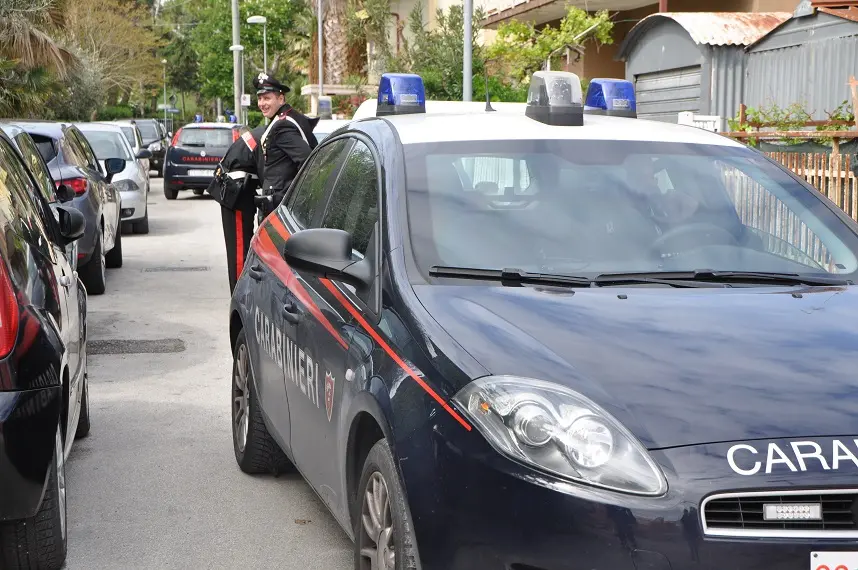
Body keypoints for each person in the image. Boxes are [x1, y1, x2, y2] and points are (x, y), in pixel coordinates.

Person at [208, 124, 266, 293]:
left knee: (242, 249)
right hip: (236, 193)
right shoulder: (271, 135)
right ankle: (240, 298)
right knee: (239, 253)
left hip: (239, 188)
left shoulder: (267, 132)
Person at [252, 72, 319, 216]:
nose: (262, 104)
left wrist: (298, 199)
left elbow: (307, 161)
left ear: (281, 99)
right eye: (260, 98)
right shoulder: (290, 117)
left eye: (267, 98)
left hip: (281, 207)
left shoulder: (282, 127)